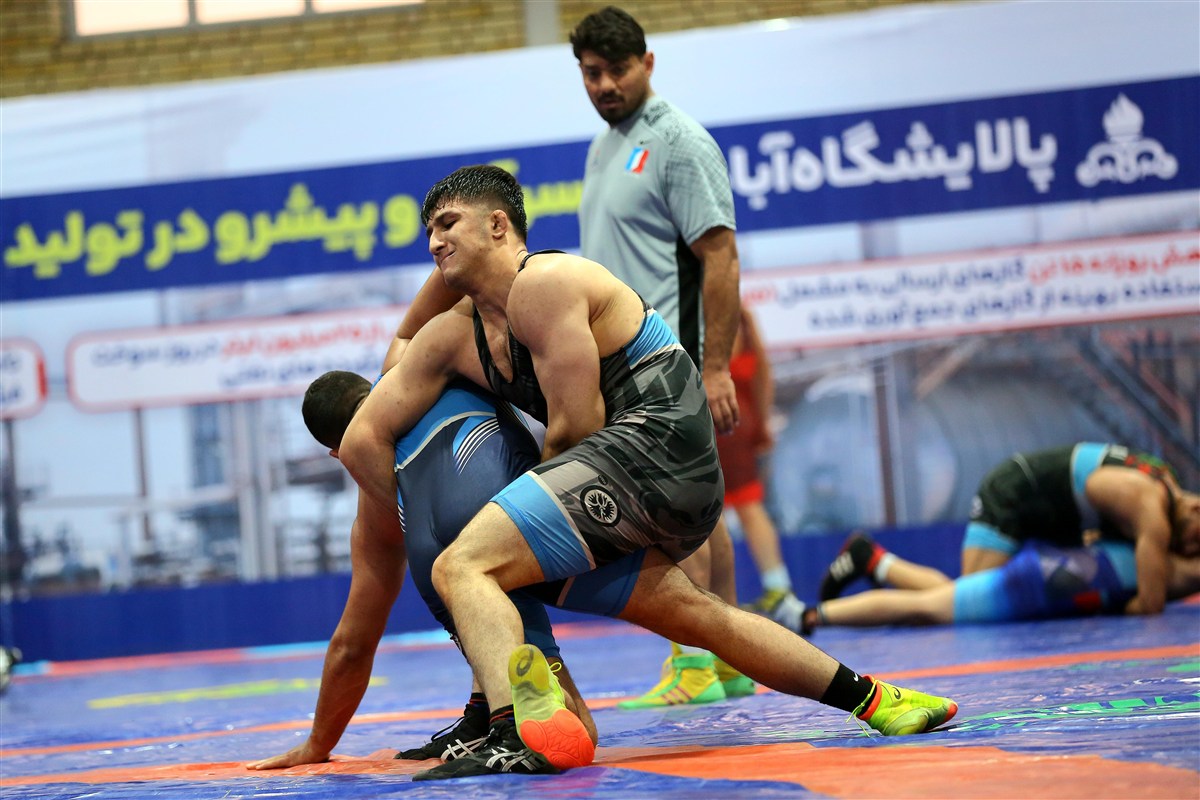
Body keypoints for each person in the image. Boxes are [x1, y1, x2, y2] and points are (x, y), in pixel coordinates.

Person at [338, 164, 957, 781]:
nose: (434, 242)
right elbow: (371, 416)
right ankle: (878, 700)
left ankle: (509, 731)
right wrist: (435, 514)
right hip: (627, 473)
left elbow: (576, 429)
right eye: (428, 231)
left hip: (659, 452)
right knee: (694, 614)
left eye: (448, 225)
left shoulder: (545, 283)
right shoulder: (459, 333)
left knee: (464, 565)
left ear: (499, 226)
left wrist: (502, 523)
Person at [247, 372, 646, 772]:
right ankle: (485, 712)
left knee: (465, 584)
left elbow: (353, 644)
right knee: (669, 601)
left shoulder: (376, 514)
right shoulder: (428, 372)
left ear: (340, 454)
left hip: (480, 531)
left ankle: (506, 719)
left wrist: (317, 743)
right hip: (586, 481)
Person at [572, 4, 750, 708]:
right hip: (623, 363)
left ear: (648, 64)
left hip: (666, 359)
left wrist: (715, 367)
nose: (605, 85)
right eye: (592, 73)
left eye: (617, 70)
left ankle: (694, 667)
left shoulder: (678, 142)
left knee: (667, 514)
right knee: (704, 510)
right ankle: (731, 663)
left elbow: (720, 256)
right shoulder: (604, 146)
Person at [819, 443, 1200, 619]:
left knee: (965, 597)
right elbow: (1150, 602)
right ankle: (873, 559)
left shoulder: (1162, 482)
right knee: (962, 595)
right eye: (1198, 538)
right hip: (1016, 492)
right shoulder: (1149, 505)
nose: (1190, 546)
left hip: (1055, 511)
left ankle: (875, 561)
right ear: (1196, 506)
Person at [803, 538, 1200, 632]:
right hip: (1041, 584)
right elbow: (1148, 603)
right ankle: (811, 615)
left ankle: (875, 560)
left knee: (942, 595)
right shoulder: (1160, 540)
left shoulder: (1156, 537)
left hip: (1050, 576)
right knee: (926, 608)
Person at [714, 303, 805, 631]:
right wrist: (761, 422)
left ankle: (721, 599)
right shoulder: (741, 316)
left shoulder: (716, 313)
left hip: (720, 424)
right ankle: (778, 588)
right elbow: (762, 375)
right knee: (746, 507)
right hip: (740, 421)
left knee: (715, 513)